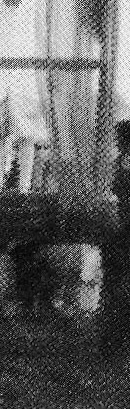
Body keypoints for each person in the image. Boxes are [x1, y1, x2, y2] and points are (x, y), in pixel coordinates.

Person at [0, 0, 49, 194]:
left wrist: (42, 82)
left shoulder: (34, 18)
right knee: (0, 133)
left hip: (25, 82)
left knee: (26, 134)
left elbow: (42, 51)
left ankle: (24, 187)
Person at [98, 120, 130, 354]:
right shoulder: (121, 162)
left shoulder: (120, 163)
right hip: (121, 231)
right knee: (117, 286)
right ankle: (113, 341)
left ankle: (112, 341)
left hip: (120, 231)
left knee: (115, 286)